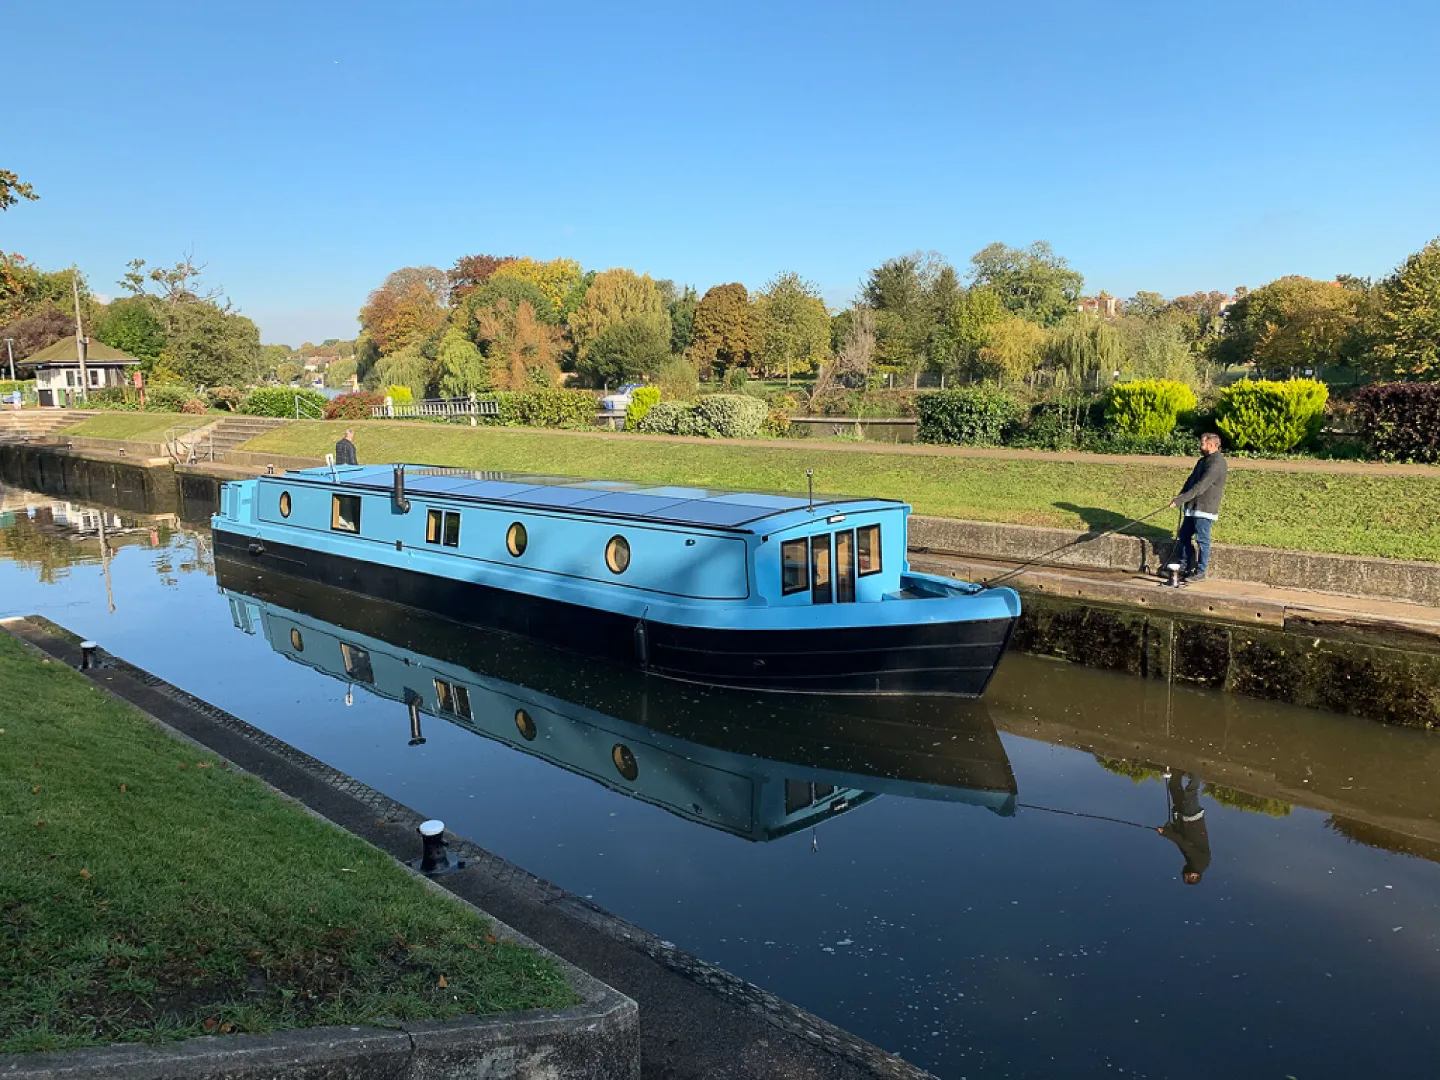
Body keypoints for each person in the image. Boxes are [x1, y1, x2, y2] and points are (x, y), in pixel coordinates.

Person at [1167, 432, 1226, 584]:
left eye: (1203, 444)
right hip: (1192, 506)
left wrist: (1181, 500)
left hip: (1205, 508)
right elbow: (1191, 481)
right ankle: (1185, 566)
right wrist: (1180, 497)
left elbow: (1201, 487)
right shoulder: (1202, 461)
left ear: (1211, 445)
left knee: (1202, 540)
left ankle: (1200, 571)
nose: (1200, 447)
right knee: (1184, 535)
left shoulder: (1217, 463)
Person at [1156, 770, 1211, 885]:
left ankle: (1178, 769)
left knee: (1174, 787)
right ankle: (1195, 769)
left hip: (1184, 819)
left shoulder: (1195, 863)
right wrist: (1166, 833)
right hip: (1191, 820)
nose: (1184, 873)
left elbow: (1183, 840)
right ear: (1194, 876)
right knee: (1190, 793)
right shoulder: (1198, 863)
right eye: (1186, 876)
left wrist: (1171, 829)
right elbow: (1184, 843)